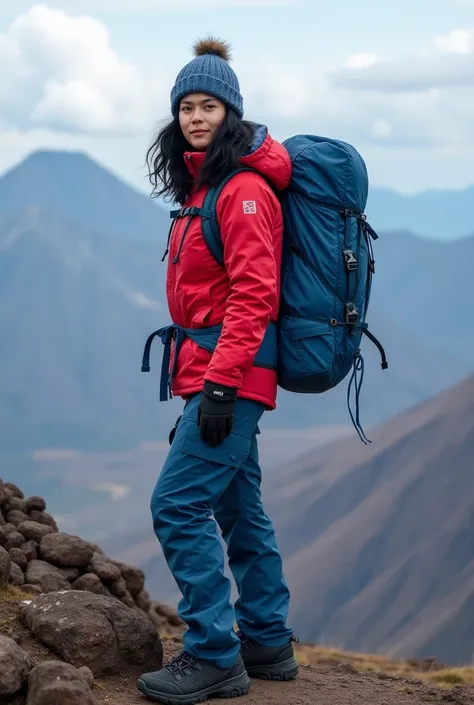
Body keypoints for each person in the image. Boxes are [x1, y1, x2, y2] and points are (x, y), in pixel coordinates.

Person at [137, 36, 298, 704]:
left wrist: (223, 385)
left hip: (230, 375)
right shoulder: (207, 185)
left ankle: (213, 653)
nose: (196, 117)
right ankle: (265, 639)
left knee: (175, 505)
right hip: (215, 371)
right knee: (237, 505)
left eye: (209, 105)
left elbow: (254, 296)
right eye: (186, 107)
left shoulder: (244, 191)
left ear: (231, 113)